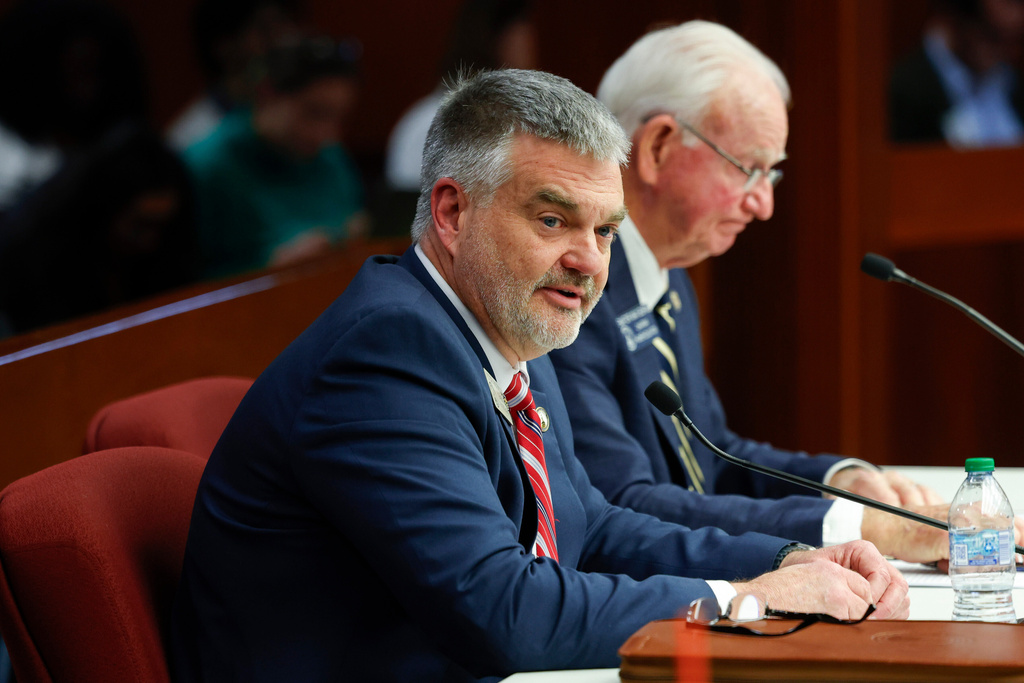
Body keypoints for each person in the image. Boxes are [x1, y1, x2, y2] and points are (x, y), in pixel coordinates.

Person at [170, 69, 908, 682]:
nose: (589, 259)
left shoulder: (510, 328)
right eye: (553, 221)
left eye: (605, 229)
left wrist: (790, 560)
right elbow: (501, 610)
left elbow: (592, 528)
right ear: (453, 213)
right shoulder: (386, 354)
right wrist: (743, 599)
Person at [548, 20, 999, 564]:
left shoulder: (667, 275)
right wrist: (856, 526)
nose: (763, 204)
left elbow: (711, 455)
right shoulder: (574, 291)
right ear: (659, 148)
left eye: (771, 175)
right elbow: (622, 503)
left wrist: (842, 481)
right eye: (748, 169)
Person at [183, 34, 366, 278]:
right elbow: (182, 284)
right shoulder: (206, 167)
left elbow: (352, 221)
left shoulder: (330, 155)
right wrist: (272, 268)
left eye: (338, 118)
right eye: (314, 113)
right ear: (267, 93)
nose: (327, 134)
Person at [166, 0, 299, 151]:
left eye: (285, 23)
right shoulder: (190, 138)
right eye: (264, 30)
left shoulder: (308, 119)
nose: (283, 41)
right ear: (224, 46)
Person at [890, 0, 1024, 146]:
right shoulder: (906, 92)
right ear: (954, 17)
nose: (999, 53)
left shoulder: (1013, 80)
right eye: (990, 36)